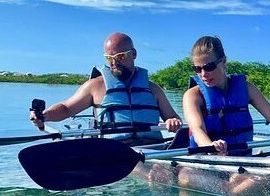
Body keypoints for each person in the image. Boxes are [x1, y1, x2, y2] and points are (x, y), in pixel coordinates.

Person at [176, 35, 270, 193]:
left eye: (208, 67)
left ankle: (234, 190)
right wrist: (211, 146)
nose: (203, 74)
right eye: (197, 69)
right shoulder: (193, 96)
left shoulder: (247, 89)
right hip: (206, 164)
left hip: (240, 162)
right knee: (185, 176)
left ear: (223, 61)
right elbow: (197, 129)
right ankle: (235, 190)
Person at [29, 32, 182, 146]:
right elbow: (66, 108)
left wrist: (173, 121)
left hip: (153, 148)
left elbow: (173, 117)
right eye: (109, 58)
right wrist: (44, 116)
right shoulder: (95, 86)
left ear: (134, 54)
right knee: (154, 173)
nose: (114, 62)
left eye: (120, 56)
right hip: (114, 151)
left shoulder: (153, 88)